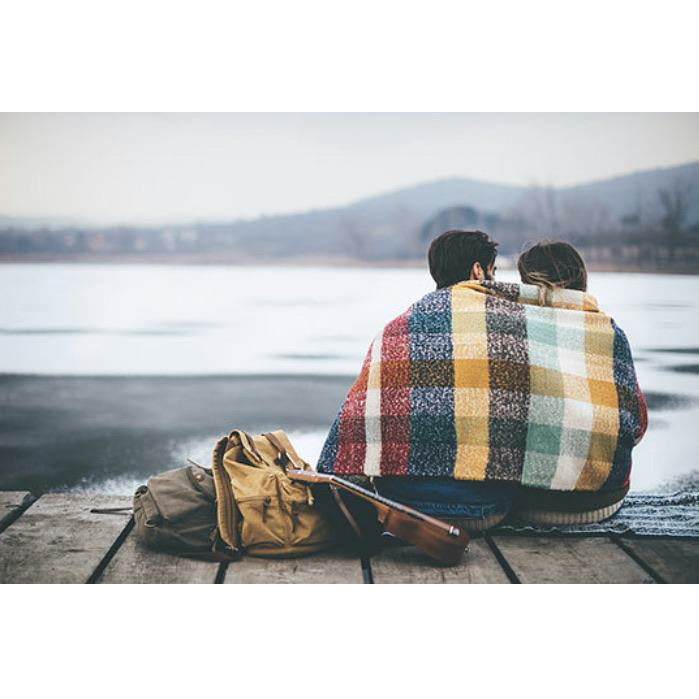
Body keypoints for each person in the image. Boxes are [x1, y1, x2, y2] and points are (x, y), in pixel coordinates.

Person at [316, 232, 647, 532]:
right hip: (577, 501)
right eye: (494, 272)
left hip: (404, 505)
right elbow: (637, 426)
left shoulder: (395, 329)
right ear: (478, 271)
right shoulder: (548, 330)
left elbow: (352, 424)